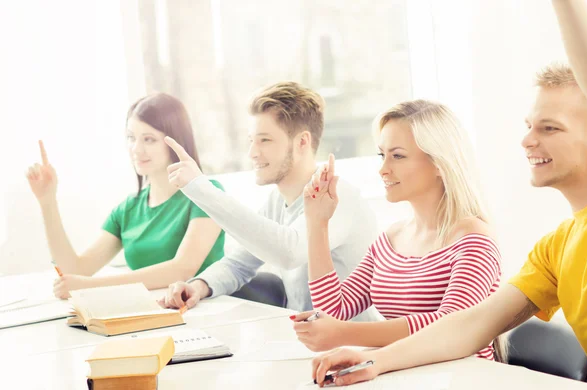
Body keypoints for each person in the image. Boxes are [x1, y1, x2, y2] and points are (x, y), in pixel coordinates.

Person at [309, 1, 587, 386]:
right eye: (530, 126)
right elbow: (468, 326)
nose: (527, 140)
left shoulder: (475, 237)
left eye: (550, 128)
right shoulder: (557, 248)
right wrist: (376, 361)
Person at [291, 100, 502, 362]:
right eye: (382, 155)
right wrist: (317, 223)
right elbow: (334, 310)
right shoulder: (390, 240)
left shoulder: (474, 241)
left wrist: (345, 333)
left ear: (439, 163)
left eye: (398, 156)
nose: (383, 169)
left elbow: (450, 326)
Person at [159, 82, 378, 315]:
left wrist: (201, 188)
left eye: (264, 140)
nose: (252, 152)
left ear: (302, 142)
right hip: (307, 338)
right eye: (251, 140)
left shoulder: (337, 196)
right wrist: (198, 286)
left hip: (352, 346)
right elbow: (239, 263)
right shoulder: (278, 200)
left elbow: (289, 252)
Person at [26, 93, 225, 299]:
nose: (136, 149)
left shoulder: (205, 193)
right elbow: (75, 271)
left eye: (149, 139)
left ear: (176, 141)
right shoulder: (128, 209)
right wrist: (47, 201)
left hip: (207, 310)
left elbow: (182, 269)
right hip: (152, 312)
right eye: (131, 138)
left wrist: (92, 286)